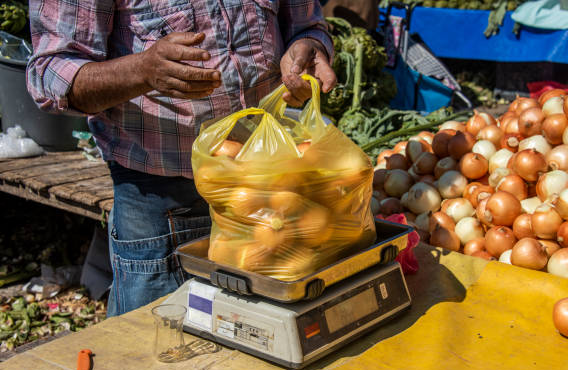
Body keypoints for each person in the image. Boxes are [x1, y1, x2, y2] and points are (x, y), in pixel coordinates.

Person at [27, 0, 336, 316]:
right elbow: (51, 74)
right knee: (159, 345)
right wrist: (143, 70)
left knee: (261, 343)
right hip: (165, 207)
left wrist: (310, 47)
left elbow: (307, 27)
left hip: (275, 190)